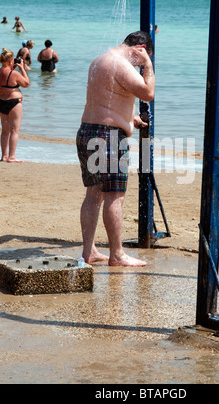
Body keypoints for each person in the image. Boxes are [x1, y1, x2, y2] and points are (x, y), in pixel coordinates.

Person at [76, 31, 155, 267]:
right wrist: (148, 65)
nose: (140, 65)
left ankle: (88, 251)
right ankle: (117, 254)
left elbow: (107, 97)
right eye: (142, 58)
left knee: (93, 194)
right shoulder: (121, 63)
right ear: (139, 48)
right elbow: (147, 93)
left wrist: (130, 118)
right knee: (115, 196)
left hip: (88, 131)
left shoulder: (99, 60)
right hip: (108, 137)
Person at [0, 48, 30, 162]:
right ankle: (12, 156)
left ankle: (4, 156)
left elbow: (1, 85)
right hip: (14, 102)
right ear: (10, 60)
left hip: (1, 101)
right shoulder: (14, 73)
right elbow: (26, 83)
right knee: (14, 130)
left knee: (5, 130)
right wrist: (22, 69)